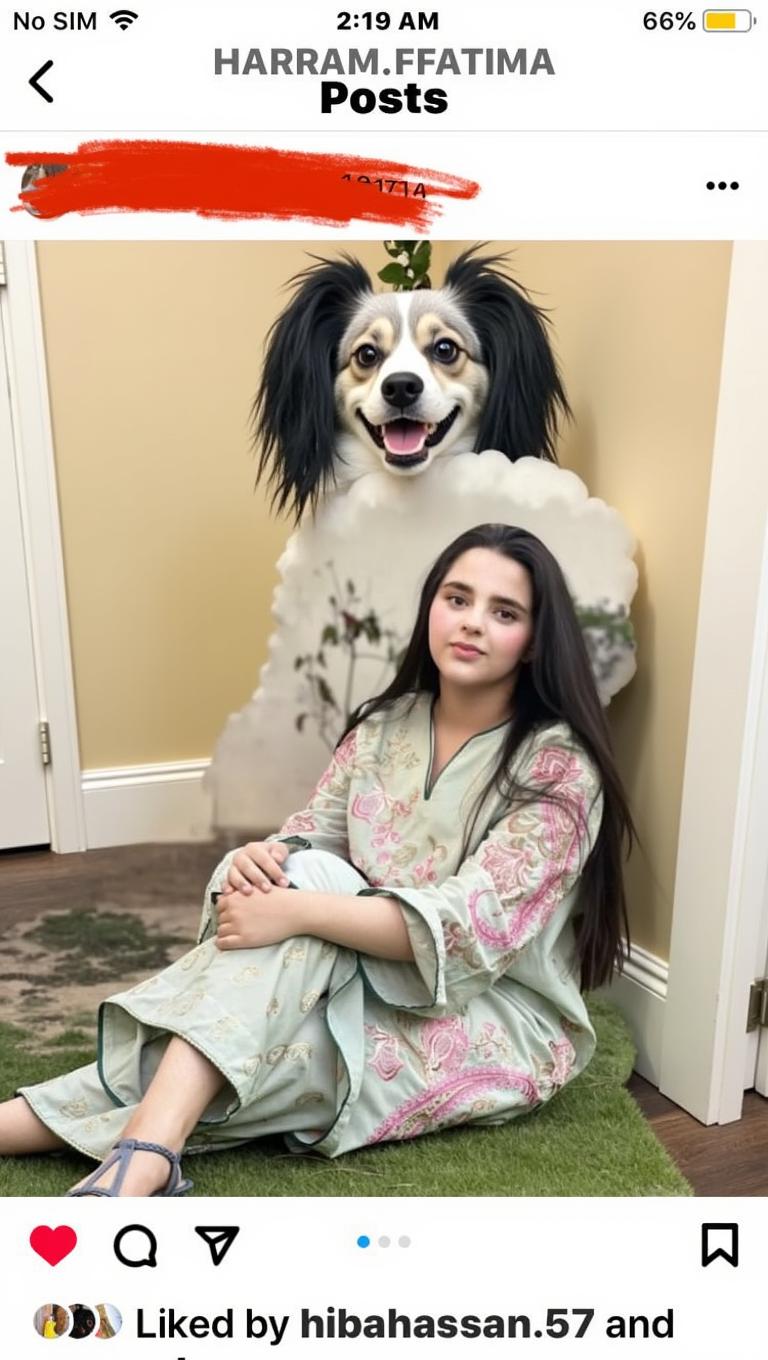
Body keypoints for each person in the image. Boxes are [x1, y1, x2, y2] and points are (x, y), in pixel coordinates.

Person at [0, 523, 635, 1196]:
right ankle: (148, 1154)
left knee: (277, 1051)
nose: (472, 623)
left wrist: (295, 911)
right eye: (457, 598)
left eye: (503, 612)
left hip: (492, 1016)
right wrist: (261, 862)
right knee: (290, 897)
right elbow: (310, 837)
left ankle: (135, 1151)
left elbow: (464, 929)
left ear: (534, 640)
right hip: (354, 974)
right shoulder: (383, 727)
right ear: (431, 608)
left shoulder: (558, 767)